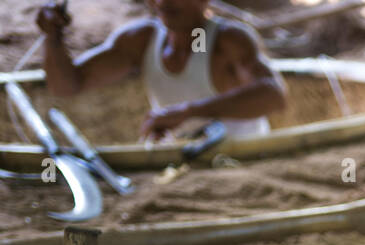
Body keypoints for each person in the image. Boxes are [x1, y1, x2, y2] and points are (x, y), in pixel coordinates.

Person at [35, 0, 286, 142]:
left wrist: (187, 112)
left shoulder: (230, 39)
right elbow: (66, 86)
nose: (164, 2)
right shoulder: (140, 39)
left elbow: (273, 96)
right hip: (177, 164)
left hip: (243, 160)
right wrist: (52, 38)